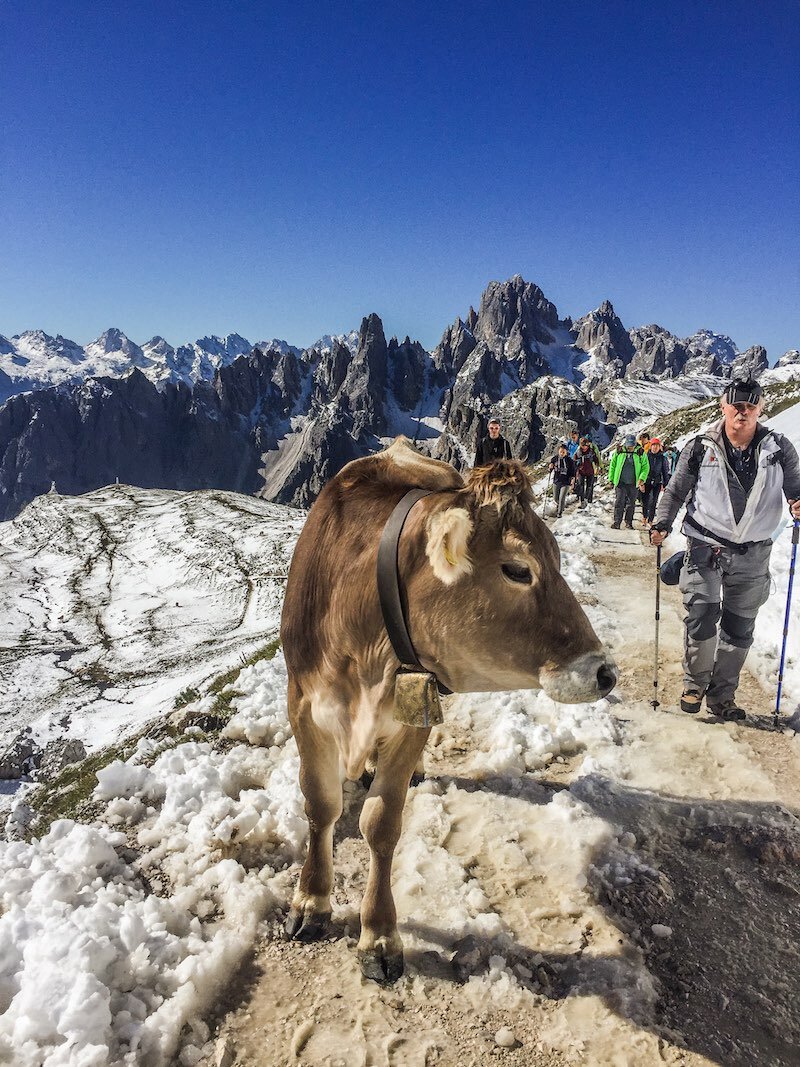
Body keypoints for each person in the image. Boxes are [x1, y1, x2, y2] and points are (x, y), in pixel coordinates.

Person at [651, 379, 800, 721]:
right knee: (702, 615)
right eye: (736, 406)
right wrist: (662, 523)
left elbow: (796, 488)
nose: (742, 413)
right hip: (706, 546)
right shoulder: (701, 447)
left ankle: (723, 698)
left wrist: (797, 503)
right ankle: (694, 684)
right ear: (724, 406)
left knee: (739, 628)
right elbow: (675, 491)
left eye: (750, 406)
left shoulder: (779, 449)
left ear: (761, 408)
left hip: (754, 553)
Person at [608, 434, 649, 529]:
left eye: (632, 445)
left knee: (631, 503)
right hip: (620, 482)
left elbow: (645, 467)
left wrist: (642, 479)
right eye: (629, 445)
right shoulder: (619, 451)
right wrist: (611, 479)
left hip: (634, 483)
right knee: (619, 502)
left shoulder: (640, 452)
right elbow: (613, 465)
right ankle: (617, 522)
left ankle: (628, 522)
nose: (630, 447)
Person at [640, 437, 670, 528]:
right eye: (653, 446)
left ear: (659, 447)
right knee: (645, 501)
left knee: (653, 501)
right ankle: (644, 517)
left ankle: (650, 520)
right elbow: (641, 468)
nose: (655, 448)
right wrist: (640, 482)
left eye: (657, 446)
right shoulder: (646, 456)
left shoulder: (662, 458)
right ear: (650, 446)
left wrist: (665, 484)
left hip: (657, 482)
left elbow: (665, 471)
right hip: (646, 481)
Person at [549, 442, 576, 517]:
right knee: (555, 498)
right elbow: (551, 465)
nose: (562, 453)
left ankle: (559, 513)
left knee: (561, 498)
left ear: (566, 452)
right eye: (561, 451)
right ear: (558, 451)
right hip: (556, 481)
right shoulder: (554, 459)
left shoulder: (569, 461)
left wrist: (572, 480)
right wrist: (550, 467)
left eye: (563, 452)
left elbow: (573, 471)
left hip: (566, 482)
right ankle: (560, 506)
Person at [574, 437, 598, 508]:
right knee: (581, 486)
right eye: (583, 445)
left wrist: (597, 467)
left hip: (590, 471)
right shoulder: (578, 452)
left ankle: (587, 500)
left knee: (589, 486)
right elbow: (574, 460)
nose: (584, 447)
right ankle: (582, 500)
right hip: (581, 471)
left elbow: (596, 459)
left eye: (585, 445)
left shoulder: (591, 451)